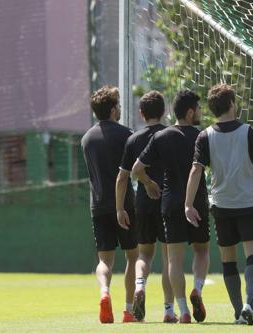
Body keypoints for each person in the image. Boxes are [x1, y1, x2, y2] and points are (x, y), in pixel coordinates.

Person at [184, 84, 253, 325]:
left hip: (221, 206)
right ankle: (249, 305)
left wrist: (188, 204)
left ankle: (239, 311)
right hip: (248, 204)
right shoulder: (249, 132)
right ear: (231, 104)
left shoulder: (204, 135)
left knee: (228, 260)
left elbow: (195, 171)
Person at [132, 90, 210, 324]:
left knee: (174, 259)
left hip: (169, 202)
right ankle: (197, 288)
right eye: (198, 108)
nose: (200, 112)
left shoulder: (161, 137)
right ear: (189, 112)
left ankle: (183, 310)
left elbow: (137, 169)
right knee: (202, 249)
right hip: (196, 201)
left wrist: (148, 183)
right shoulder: (201, 136)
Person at [115, 91, 177, 323]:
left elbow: (123, 177)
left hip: (142, 203)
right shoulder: (171, 135)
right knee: (169, 257)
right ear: (164, 111)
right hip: (168, 200)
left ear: (141, 113)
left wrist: (120, 208)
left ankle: (140, 285)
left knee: (144, 254)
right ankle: (169, 311)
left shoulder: (133, 139)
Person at [81, 85, 138, 324]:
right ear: (113, 109)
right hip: (124, 205)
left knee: (105, 261)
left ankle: (104, 292)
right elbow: (134, 170)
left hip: (98, 205)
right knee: (133, 257)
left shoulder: (86, 139)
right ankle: (128, 310)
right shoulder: (127, 135)